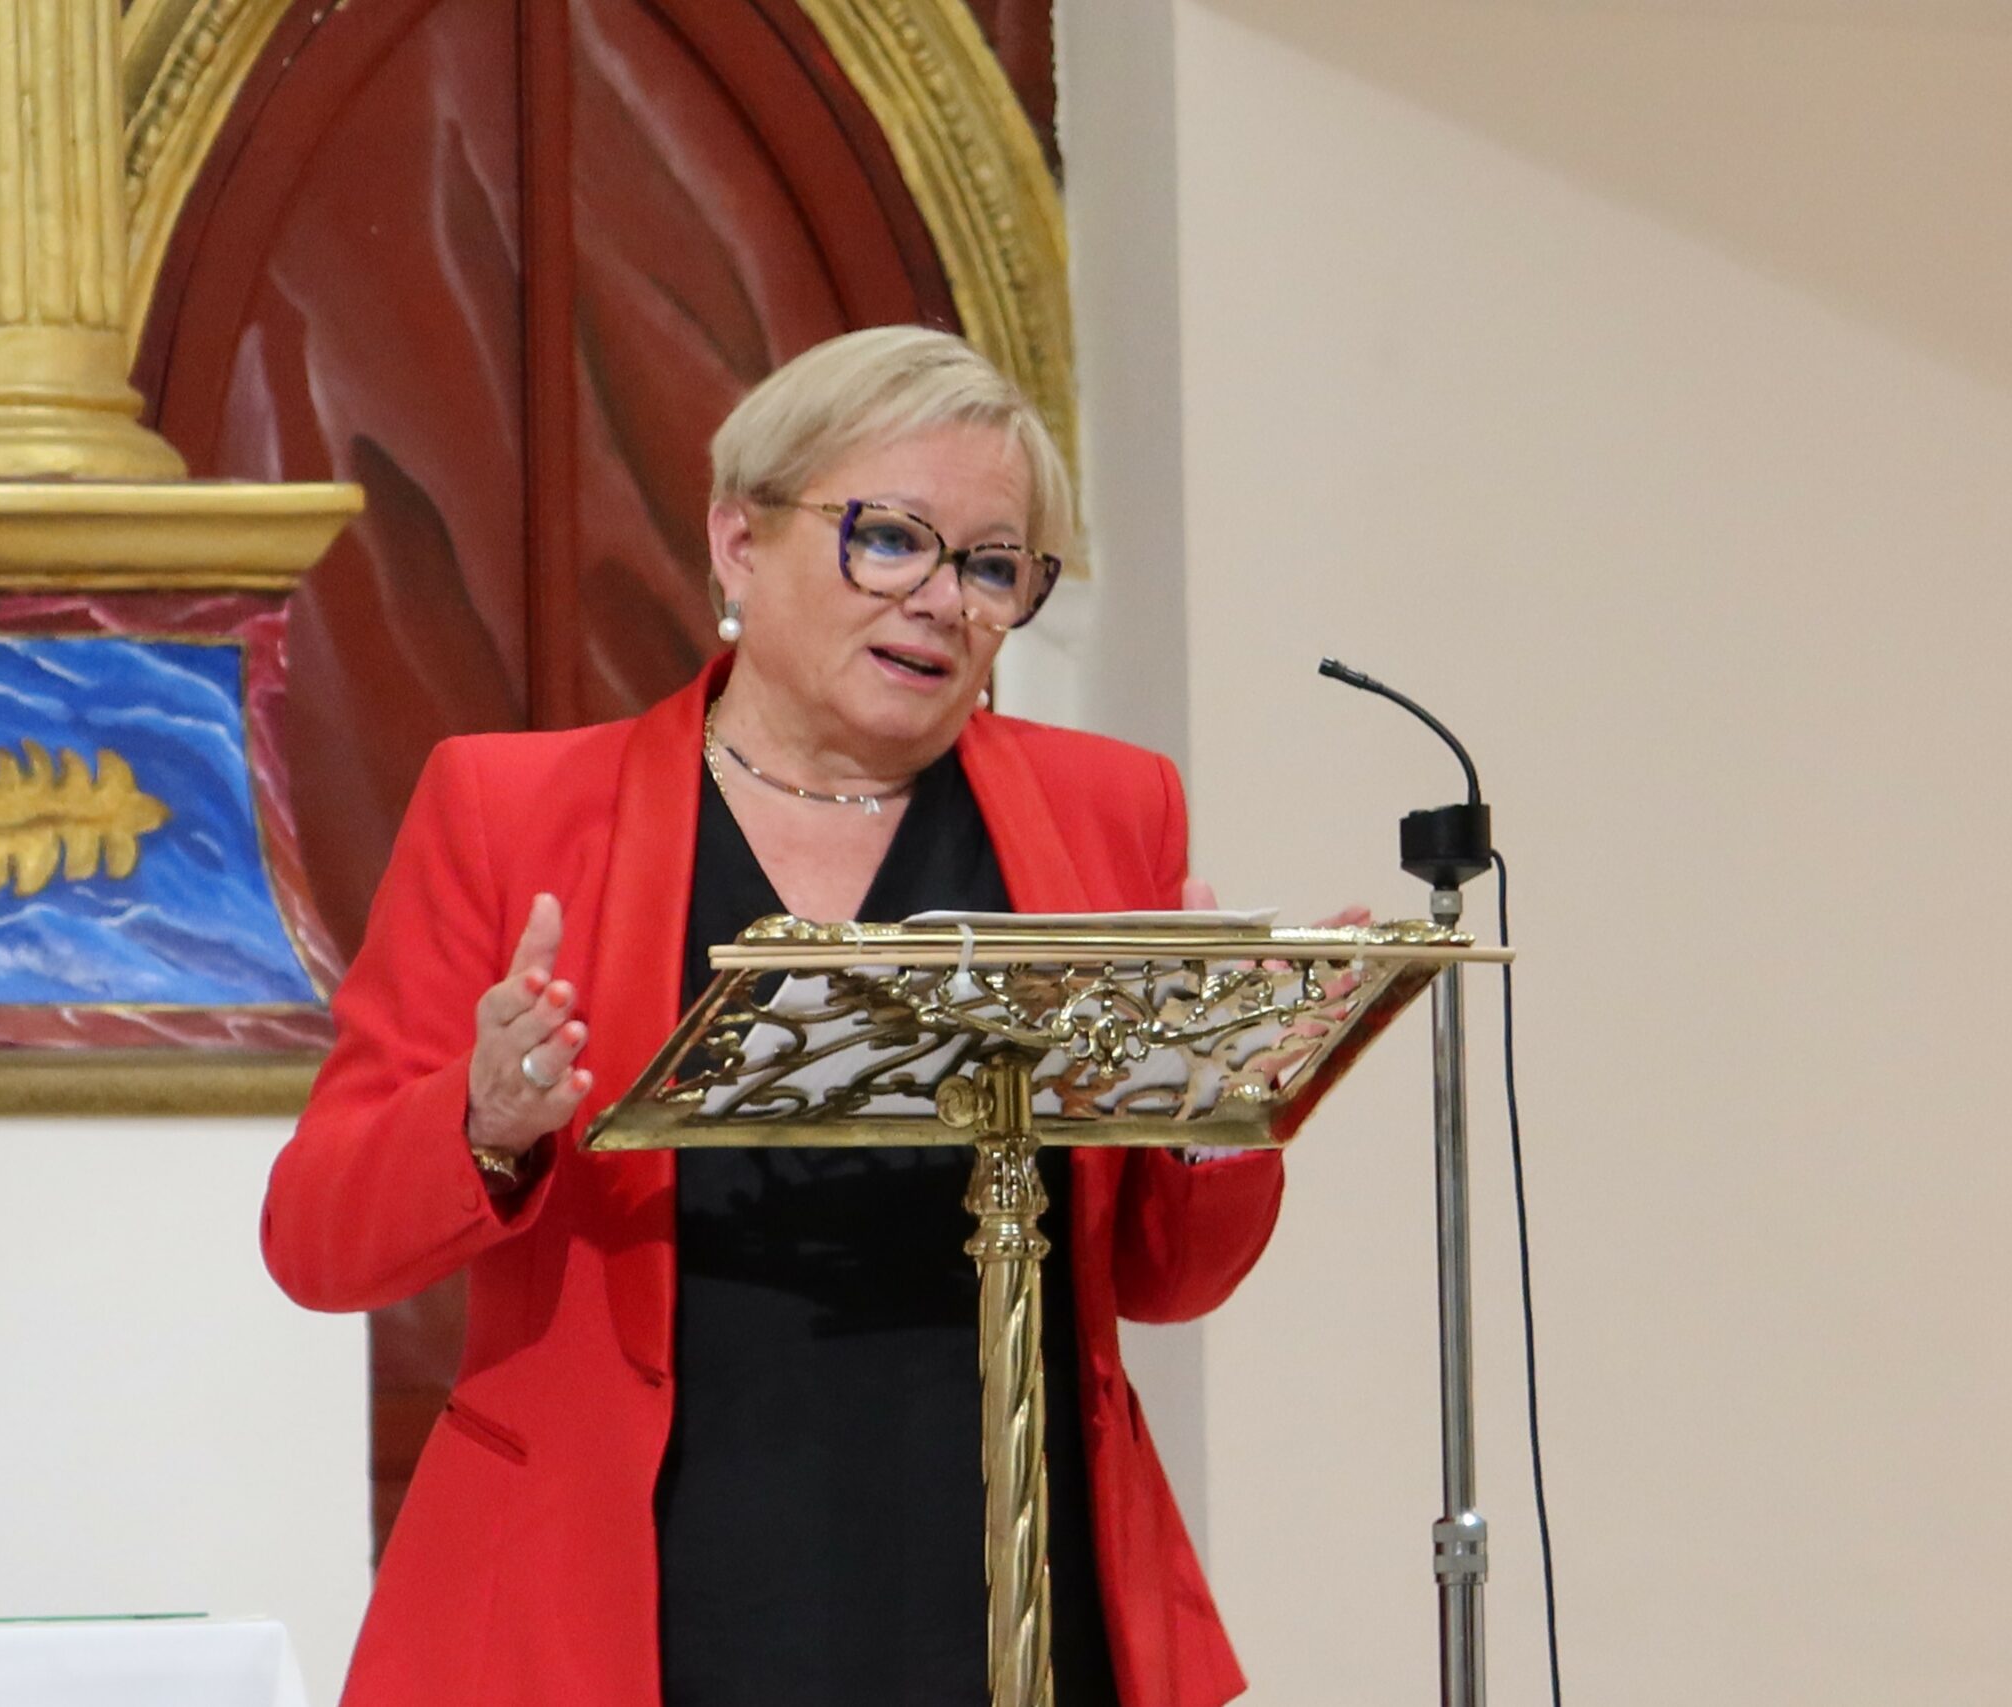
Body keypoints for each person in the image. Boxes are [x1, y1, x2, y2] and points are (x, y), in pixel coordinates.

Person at [262, 325, 1291, 1707]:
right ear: (739, 541)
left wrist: (1215, 1094)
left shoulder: (1109, 811)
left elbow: (1165, 1279)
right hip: (638, 1604)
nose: (944, 601)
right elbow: (317, 1239)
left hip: (1006, 1595)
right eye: (892, 540)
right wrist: (482, 1118)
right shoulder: (514, 813)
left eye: (993, 566)